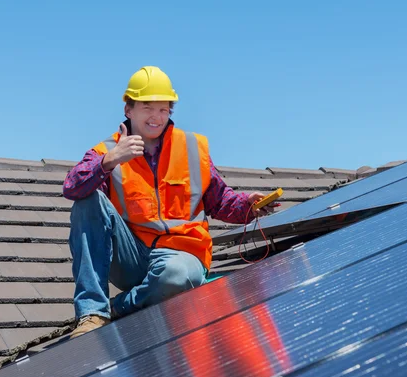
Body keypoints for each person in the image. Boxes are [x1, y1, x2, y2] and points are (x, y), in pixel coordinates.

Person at [63, 66, 278, 338]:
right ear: (129, 110)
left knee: (178, 276)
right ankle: (92, 312)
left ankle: (118, 307)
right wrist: (110, 160)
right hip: (133, 258)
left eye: (164, 109)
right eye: (147, 107)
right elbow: (72, 187)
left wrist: (249, 205)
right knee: (87, 200)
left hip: (180, 257)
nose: (156, 116)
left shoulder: (190, 148)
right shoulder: (109, 150)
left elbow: (220, 199)